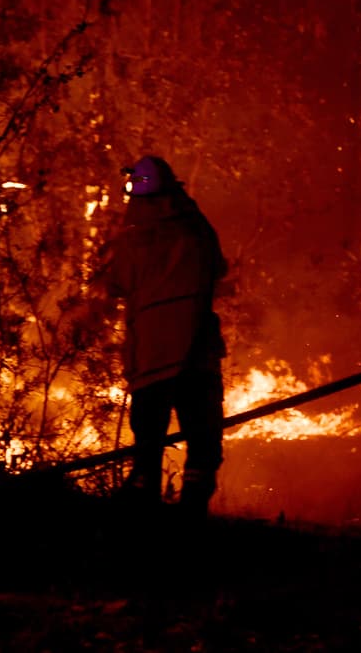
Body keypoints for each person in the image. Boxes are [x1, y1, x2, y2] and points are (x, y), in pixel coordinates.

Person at [94, 154, 228, 519]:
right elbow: (219, 267)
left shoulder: (135, 237)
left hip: (153, 357)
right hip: (197, 355)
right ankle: (192, 514)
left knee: (149, 441)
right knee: (202, 439)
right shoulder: (196, 228)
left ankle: (144, 514)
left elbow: (116, 284)